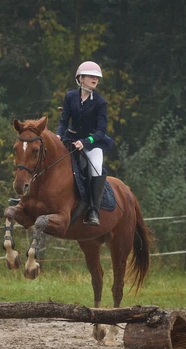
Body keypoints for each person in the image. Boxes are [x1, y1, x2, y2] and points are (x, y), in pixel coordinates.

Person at [56, 61, 114, 226]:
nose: (94, 79)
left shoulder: (100, 102)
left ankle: (93, 210)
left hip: (92, 143)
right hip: (70, 140)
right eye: (91, 76)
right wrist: (58, 135)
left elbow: (101, 131)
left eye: (97, 77)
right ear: (80, 78)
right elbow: (64, 121)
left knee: (95, 168)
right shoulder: (70, 97)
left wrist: (85, 142)